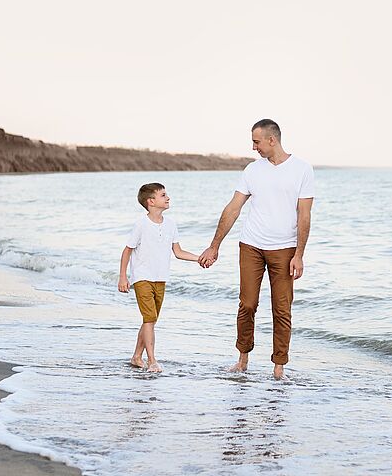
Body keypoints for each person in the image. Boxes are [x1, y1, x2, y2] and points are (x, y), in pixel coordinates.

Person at [198, 119, 315, 380]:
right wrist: (214, 246)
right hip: (251, 245)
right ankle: (242, 359)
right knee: (247, 304)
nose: (254, 147)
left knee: (282, 309)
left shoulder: (302, 170)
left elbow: (304, 216)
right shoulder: (252, 170)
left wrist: (299, 254)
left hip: (285, 249)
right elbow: (233, 208)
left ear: (272, 140)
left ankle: (278, 367)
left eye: (256, 141)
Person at [117, 183, 199, 372]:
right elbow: (127, 251)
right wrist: (123, 277)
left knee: (150, 320)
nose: (168, 197)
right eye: (163, 195)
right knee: (149, 317)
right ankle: (152, 360)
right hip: (142, 277)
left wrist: (199, 259)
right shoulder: (141, 224)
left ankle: (137, 356)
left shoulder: (171, 224)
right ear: (151, 202)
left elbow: (178, 252)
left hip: (161, 278)